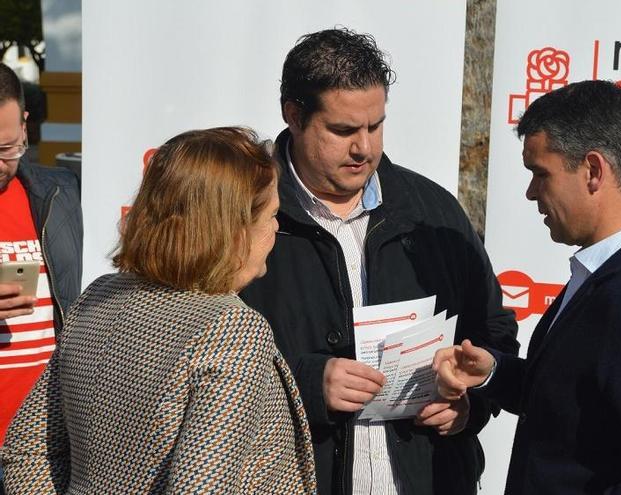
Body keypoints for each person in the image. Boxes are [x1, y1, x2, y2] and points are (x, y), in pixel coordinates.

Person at [239, 28, 519, 494]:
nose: (364, 148)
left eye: (375, 126)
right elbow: (193, 354)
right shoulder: (243, 214)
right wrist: (306, 385)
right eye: (343, 130)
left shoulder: (433, 211)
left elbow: (492, 332)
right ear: (293, 115)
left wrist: (469, 405)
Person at [433, 80, 621, 494]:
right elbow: (575, 403)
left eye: (540, 174)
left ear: (592, 171)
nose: (531, 192)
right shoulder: (610, 273)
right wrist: (493, 372)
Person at [1, 127, 317, 494]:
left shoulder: (99, 298)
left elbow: (29, 448)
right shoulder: (232, 327)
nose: (276, 227)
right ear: (235, 229)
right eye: (272, 214)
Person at [0, 63, 82, 493]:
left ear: (26, 122)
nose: (0, 163)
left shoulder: (59, 192)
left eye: (8, 148)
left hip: (43, 444)